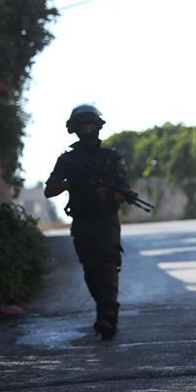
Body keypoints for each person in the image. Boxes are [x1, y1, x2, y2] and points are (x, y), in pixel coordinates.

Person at [44, 104, 131, 340]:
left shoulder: (111, 158)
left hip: (106, 220)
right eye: (83, 125)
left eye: (91, 124)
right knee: (91, 269)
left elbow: (124, 192)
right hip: (82, 221)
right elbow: (49, 191)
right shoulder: (68, 161)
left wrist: (109, 192)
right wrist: (70, 183)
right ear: (75, 129)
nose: (88, 129)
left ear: (98, 126)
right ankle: (105, 308)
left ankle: (107, 314)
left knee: (108, 263)